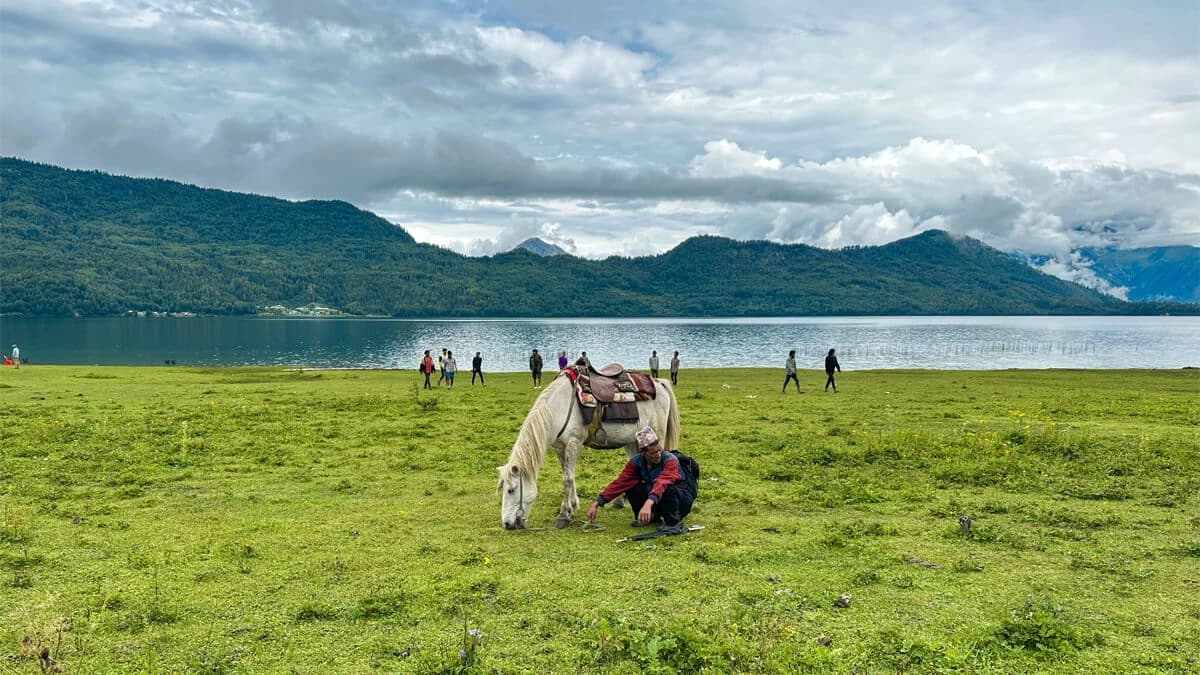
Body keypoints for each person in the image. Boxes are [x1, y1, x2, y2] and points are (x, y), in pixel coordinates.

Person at [586, 426, 694, 530]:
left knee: (666, 487)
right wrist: (597, 503)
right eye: (652, 453)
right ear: (642, 453)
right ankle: (648, 517)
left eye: (659, 450)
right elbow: (621, 482)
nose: (658, 455)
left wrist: (649, 502)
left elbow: (663, 481)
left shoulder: (670, 460)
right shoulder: (636, 463)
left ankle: (673, 522)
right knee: (631, 485)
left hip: (679, 501)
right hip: (656, 499)